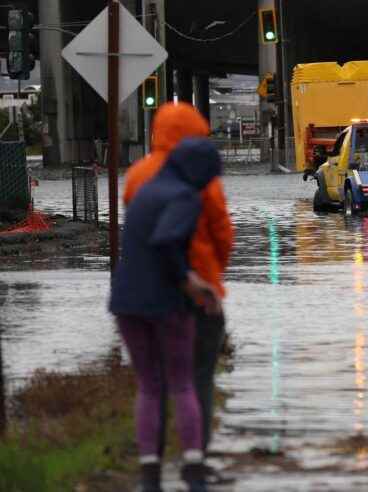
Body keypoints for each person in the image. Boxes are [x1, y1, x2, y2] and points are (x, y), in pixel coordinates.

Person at [124, 102, 234, 485]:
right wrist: (214, 276)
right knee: (196, 379)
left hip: (148, 290)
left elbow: (136, 231)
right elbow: (222, 233)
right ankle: (195, 461)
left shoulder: (137, 175)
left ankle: (151, 466)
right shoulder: (202, 179)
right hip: (197, 291)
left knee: (151, 383)